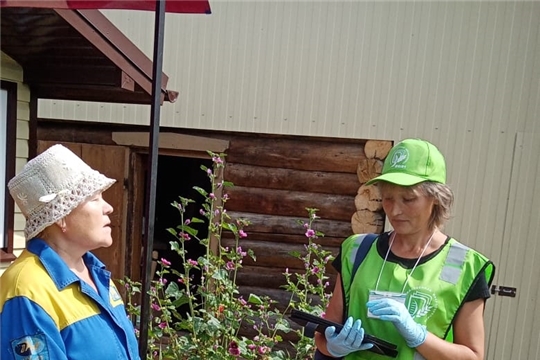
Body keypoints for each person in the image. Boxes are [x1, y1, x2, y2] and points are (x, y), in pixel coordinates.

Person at [314, 138, 495, 360]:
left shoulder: (465, 265)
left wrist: (420, 337)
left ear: (436, 198)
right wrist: (334, 347)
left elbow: (473, 357)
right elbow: (323, 335)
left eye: (408, 199)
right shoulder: (357, 250)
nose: (395, 210)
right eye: (388, 198)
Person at [0, 144, 140, 360]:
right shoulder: (27, 289)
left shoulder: (95, 272)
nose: (108, 207)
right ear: (60, 217)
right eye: (94, 198)